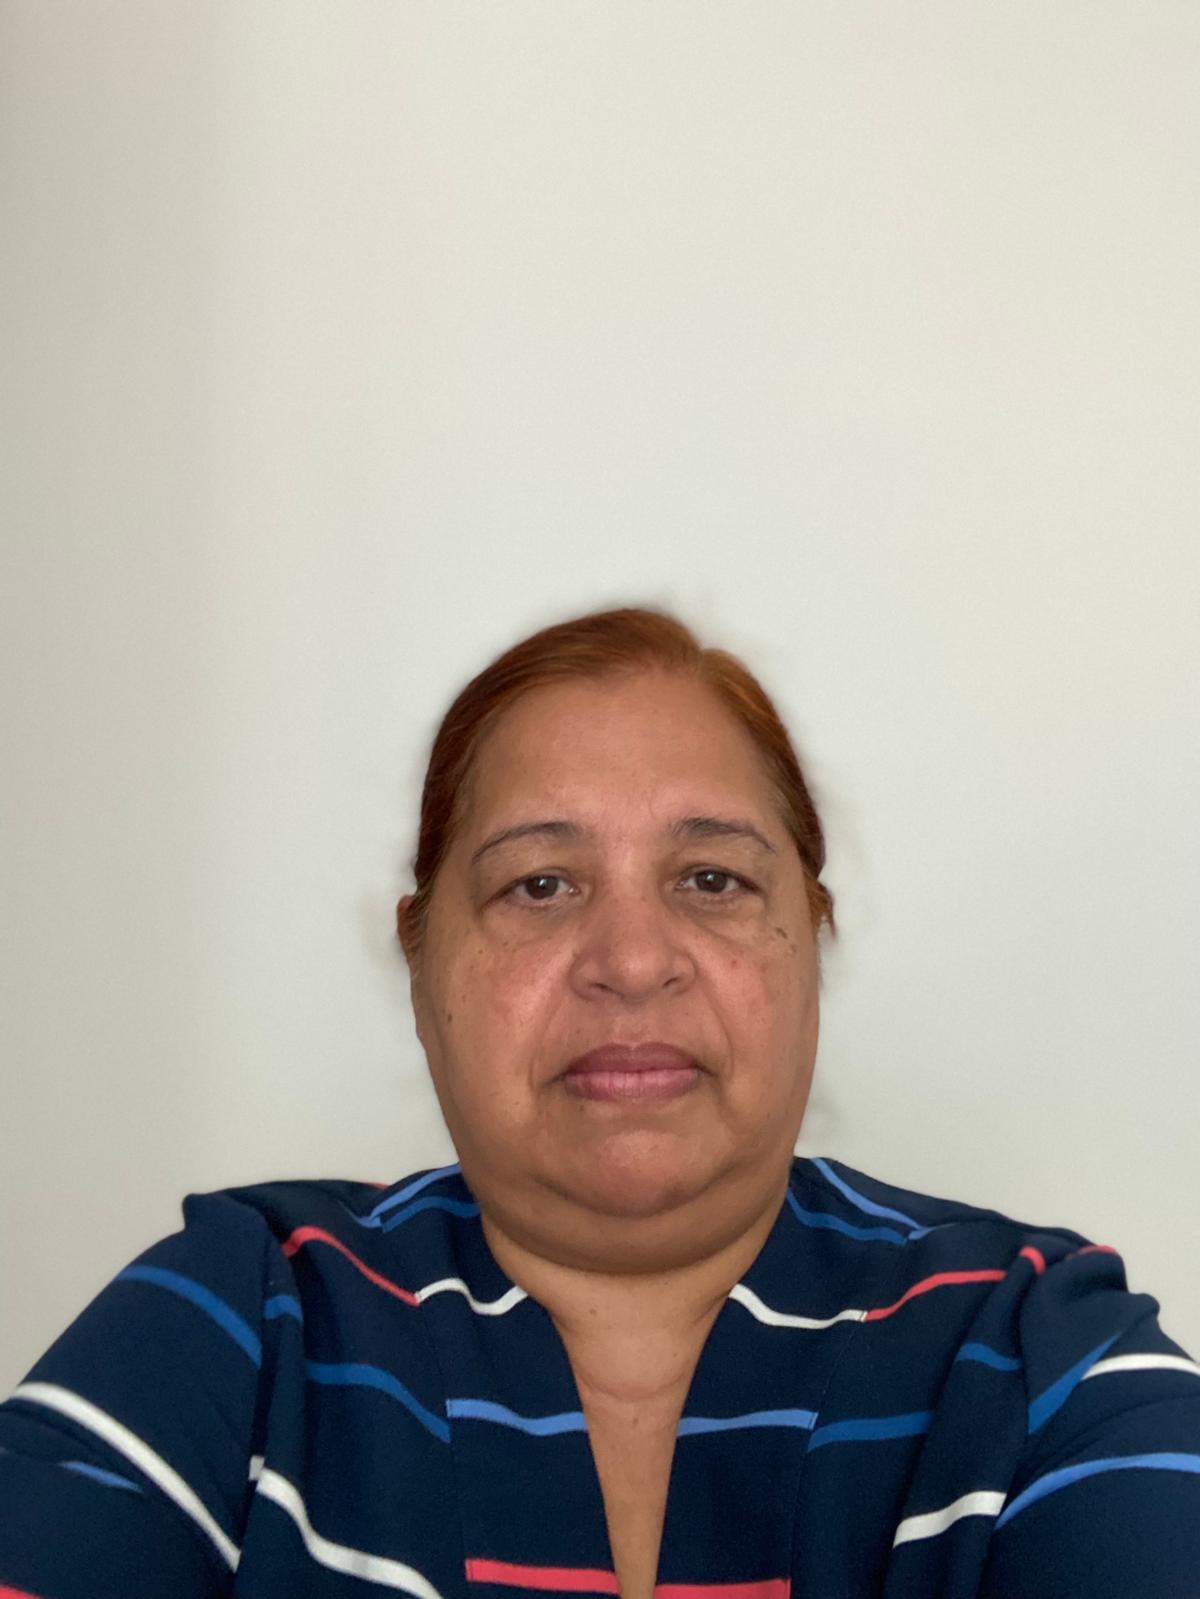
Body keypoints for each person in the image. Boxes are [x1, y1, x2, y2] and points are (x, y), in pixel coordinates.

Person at [1, 604, 1197, 1599]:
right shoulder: (246, 1316)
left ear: (811, 941)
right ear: (421, 965)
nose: (631, 960)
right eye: (540, 884)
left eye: (713, 878)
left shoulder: (1036, 1349)